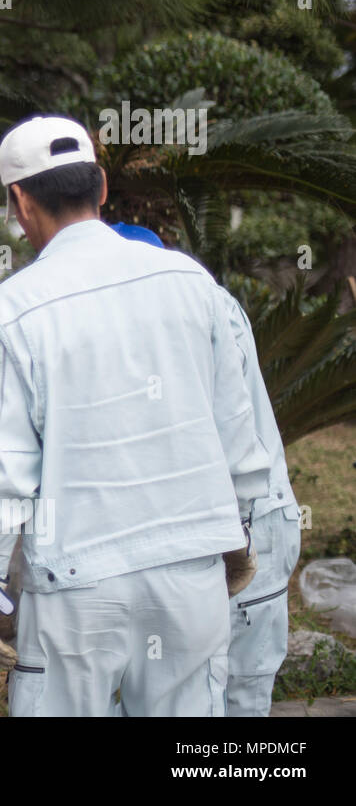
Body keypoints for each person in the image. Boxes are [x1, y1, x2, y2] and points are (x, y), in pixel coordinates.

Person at [0, 114, 271, 716]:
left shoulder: (9, 312)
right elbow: (238, 425)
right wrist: (240, 525)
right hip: (192, 571)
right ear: (101, 186)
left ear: (19, 202)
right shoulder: (190, 282)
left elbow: (3, 470)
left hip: (77, 586)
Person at [109, 226, 302, 715]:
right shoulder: (165, 307)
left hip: (248, 523)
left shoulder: (199, 307)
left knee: (238, 691)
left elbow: (223, 434)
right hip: (208, 528)